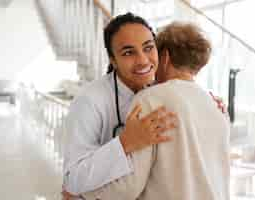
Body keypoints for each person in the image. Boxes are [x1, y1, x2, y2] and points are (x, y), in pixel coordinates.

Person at [81, 22, 230, 200]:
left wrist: (83, 192)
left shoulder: (151, 99)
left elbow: (129, 187)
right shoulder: (217, 107)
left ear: (165, 57)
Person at [63, 12, 179, 197]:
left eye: (148, 48)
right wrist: (125, 142)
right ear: (113, 60)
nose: (143, 60)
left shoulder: (164, 90)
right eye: (128, 52)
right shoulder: (90, 100)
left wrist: (212, 102)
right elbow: (73, 180)